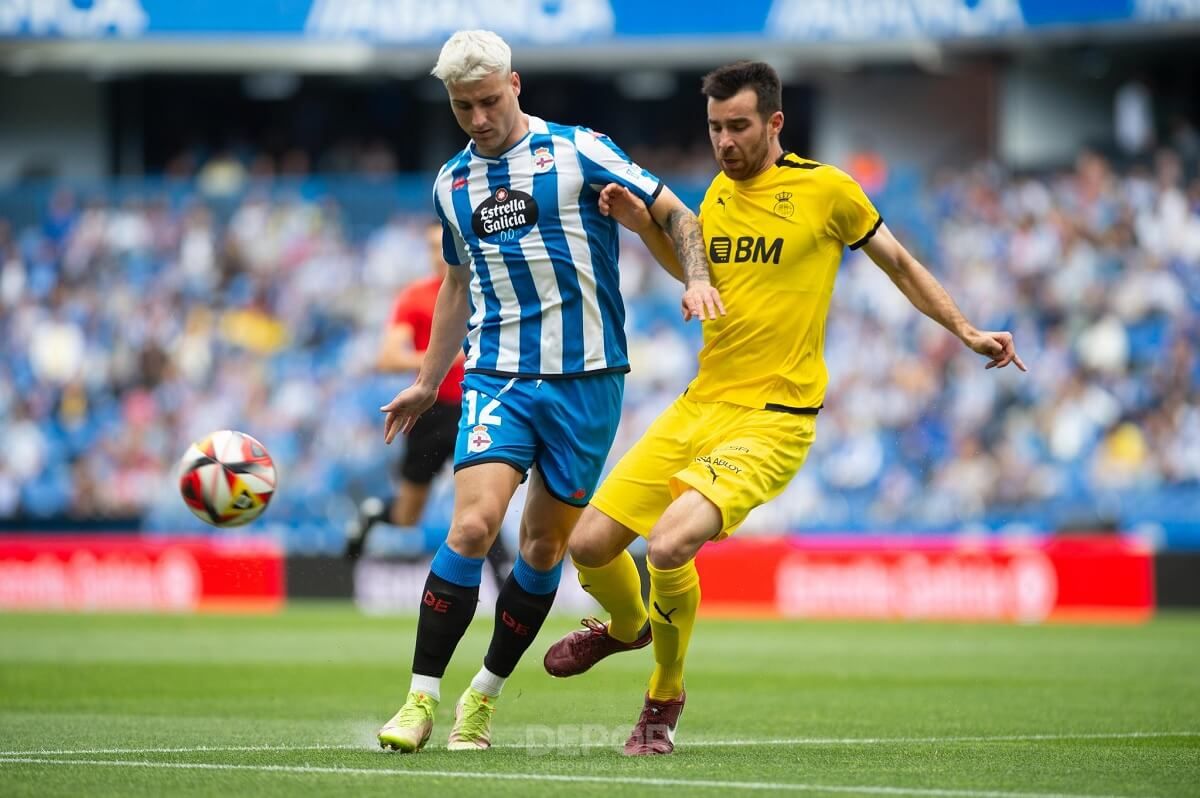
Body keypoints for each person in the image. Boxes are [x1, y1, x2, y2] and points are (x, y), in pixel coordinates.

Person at [542, 60, 1027, 756]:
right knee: (587, 546)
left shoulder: (825, 190)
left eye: (738, 126)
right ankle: (625, 628)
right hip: (699, 404)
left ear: (774, 123)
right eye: (714, 128)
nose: (724, 142)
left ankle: (663, 695)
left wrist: (968, 329)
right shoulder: (714, 193)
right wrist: (641, 225)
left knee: (670, 543)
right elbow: (696, 270)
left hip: (773, 418)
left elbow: (899, 263)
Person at [375, 30, 722, 753]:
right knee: (471, 528)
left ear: (516, 85)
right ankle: (419, 700)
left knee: (540, 548)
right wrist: (423, 382)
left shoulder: (580, 150)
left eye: (488, 101)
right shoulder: (451, 183)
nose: (477, 118)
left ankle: (484, 698)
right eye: (462, 106)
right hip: (499, 375)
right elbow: (455, 282)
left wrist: (696, 277)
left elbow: (677, 214)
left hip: (589, 385)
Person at [344, 221, 511, 586]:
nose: (440, 254)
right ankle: (375, 514)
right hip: (429, 412)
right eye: (433, 247)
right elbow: (388, 357)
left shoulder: (490, 290)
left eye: (445, 246)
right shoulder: (415, 297)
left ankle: (506, 589)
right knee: (408, 515)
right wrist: (446, 357)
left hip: (476, 408)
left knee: (483, 502)